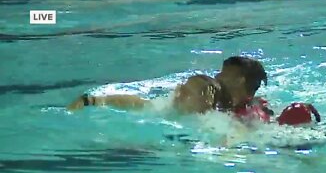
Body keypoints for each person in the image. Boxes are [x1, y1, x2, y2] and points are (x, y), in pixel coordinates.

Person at [67, 56, 270, 117]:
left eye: (225, 73)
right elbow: (141, 104)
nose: (217, 75)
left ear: (239, 80)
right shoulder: (184, 106)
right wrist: (93, 100)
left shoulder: (249, 114)